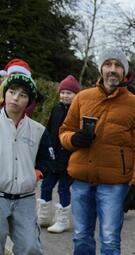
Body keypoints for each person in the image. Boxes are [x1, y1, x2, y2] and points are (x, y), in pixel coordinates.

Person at [57, 48, 135, 255]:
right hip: (81, 181)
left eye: (118, 66)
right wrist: (73, 140)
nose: (112, 70)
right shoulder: (83, 98)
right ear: (101, 68)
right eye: (108, 64)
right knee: (81, 235)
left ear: (125, 72)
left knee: (110, 240)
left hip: (114, 185)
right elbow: (63, 131)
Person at [0, 74, 55, 255]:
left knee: (30, 244)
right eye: (12, 92)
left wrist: (36, 174)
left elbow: (48, 160)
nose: (16, 98)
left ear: (29, 102)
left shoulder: (38, 130)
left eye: (22, 95)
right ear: (4, 94)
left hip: (24, 197)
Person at [37, 75, 81, 232]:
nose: (65, 96)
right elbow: (49, 131)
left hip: (68, 159)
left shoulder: (77, 112)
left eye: (69, 93)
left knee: (63, 189)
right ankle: (43, 217)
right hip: (53, 157)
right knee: (46, 186)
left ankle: (63, 220)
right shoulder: (56, 109)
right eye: (63, 92)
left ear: (76, 95)